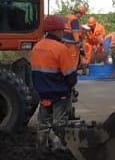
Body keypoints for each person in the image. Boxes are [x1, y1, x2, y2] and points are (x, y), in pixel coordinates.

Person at [31, 14, 79, 148]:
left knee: (43, 125)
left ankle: (41, 150)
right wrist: (70, 88)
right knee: (60, 126)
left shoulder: (37, 47)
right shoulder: (60, 48)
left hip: (43, 94)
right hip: (59, 94)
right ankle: (61, 153)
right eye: (62, 30)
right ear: (58, 30)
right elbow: (70, 76)